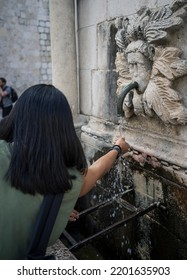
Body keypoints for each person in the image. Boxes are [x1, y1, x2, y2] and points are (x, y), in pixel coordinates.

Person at [0, 84, 130, 260]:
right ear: (64, 128)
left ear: (17, 116)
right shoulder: (67, 181)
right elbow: (95, 171)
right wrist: (118, 148)